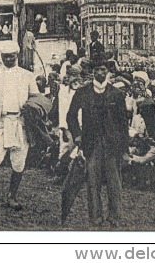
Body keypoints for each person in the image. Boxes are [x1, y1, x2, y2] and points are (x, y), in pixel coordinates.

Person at [0, 41, 39, 210]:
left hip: (20, 123)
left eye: (11, 56)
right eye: (5, 57)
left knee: (19, 161)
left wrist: (32, 112)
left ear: (16, 56)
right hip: (0, 122)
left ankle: (12, 197)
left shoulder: (27, 75)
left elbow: (36, 98)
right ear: (1, 57)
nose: (8, 59)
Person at [66, 57, 128, 227]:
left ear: (108, 72)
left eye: (103, 70)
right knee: (93, 181)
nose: (100, 73)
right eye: (97, 70)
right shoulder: (83, 92)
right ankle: (96, 216)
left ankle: (115, 216)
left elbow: (123, 123)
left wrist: (124, 149)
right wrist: (77, 135)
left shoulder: (116, 93)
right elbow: (70, 116)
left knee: (114, 181)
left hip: (112, 144)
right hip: (91, 143)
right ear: (92, 72)